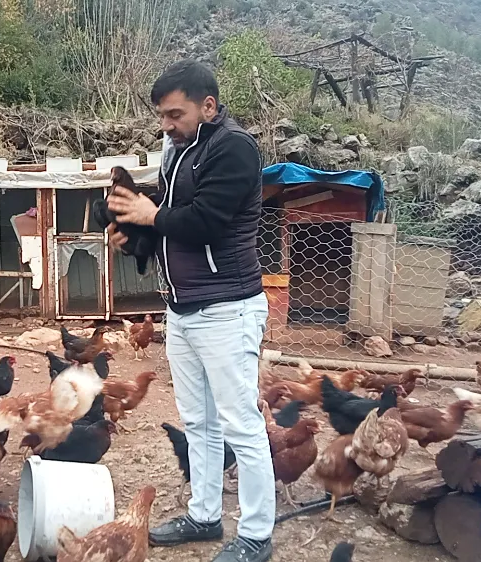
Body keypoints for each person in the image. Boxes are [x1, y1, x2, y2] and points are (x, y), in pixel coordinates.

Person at [106, 59, 275, 562]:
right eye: (161, 115)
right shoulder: (178, 150)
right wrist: (133, 236)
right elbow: (169, 221)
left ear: (208, 106)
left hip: (228, 308)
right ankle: (204, 515)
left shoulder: (234, 149)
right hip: (182, 310)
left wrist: (150, 214)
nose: (166, 124)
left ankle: (257, 534)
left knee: (241, 424)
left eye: (174, 114)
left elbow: (206, 222)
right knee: (198, 422)